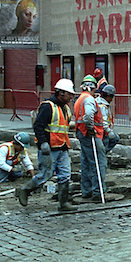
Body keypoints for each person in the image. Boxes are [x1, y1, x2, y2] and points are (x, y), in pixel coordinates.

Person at [15, 78, 76, 211]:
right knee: (45, 175)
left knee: (65, 175)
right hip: (50, 148)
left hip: (63, 147)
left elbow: (62, 126)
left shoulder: (65, 108)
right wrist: (43, 143)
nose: (71, 97)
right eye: (69, 94)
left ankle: (63, 203)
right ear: (60, 93)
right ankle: (25, 190)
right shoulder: (48, 106)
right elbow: (38, 125)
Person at [73, 75, 106, 202]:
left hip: (81, 133)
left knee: (86, 162)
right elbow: (88, 116)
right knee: (98, 162)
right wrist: (91, 129)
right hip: (90, 134)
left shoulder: (79, 99)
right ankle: (98, 191)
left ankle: (86, 190)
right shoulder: (89, 100)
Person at [96, 84, 121, 154]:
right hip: (103, 132)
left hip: (101, 131)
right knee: (104, 148)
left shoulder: (99, 102)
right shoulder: (102, 106)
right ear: (108, 96)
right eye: (112, 97)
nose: (112, 100)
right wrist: (109, 131)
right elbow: (103, 120)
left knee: (116, 138)